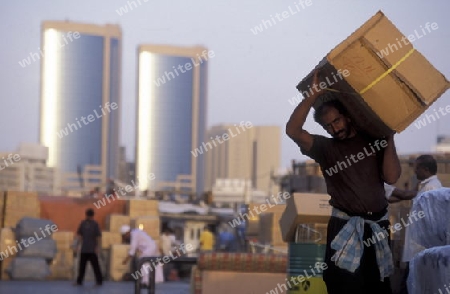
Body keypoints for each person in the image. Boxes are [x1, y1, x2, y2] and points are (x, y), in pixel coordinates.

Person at [286, 71, 401, 294]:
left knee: (377, 287)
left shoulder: (374, 140)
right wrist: (312, 95)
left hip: (378, 227)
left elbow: (392, 177)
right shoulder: (325, 148)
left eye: (337, 121)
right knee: (343, 285)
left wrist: (389, 137)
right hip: (345, 228)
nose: (334, 128)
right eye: (328, 126)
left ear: (347, 116)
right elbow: (293, 130)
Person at [385, 155, 442, 294]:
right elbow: (400, 197)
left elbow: (432, 221)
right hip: (416, 250)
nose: (415, 172)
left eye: (417, 169)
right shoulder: (424, 187)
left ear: (425, 169)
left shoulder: (432, 188)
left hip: (421, 249)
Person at [74, 208, 103, 286]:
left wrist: (77, 245)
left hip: (89, 249)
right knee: (86, 267)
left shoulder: (87, 224)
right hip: (88, 249)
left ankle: (98, 281)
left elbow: (80, 236)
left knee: (93, 266)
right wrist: (98, 247)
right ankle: (80, 281)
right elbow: (98, 237)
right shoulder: (90, 224)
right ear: (93, 215)